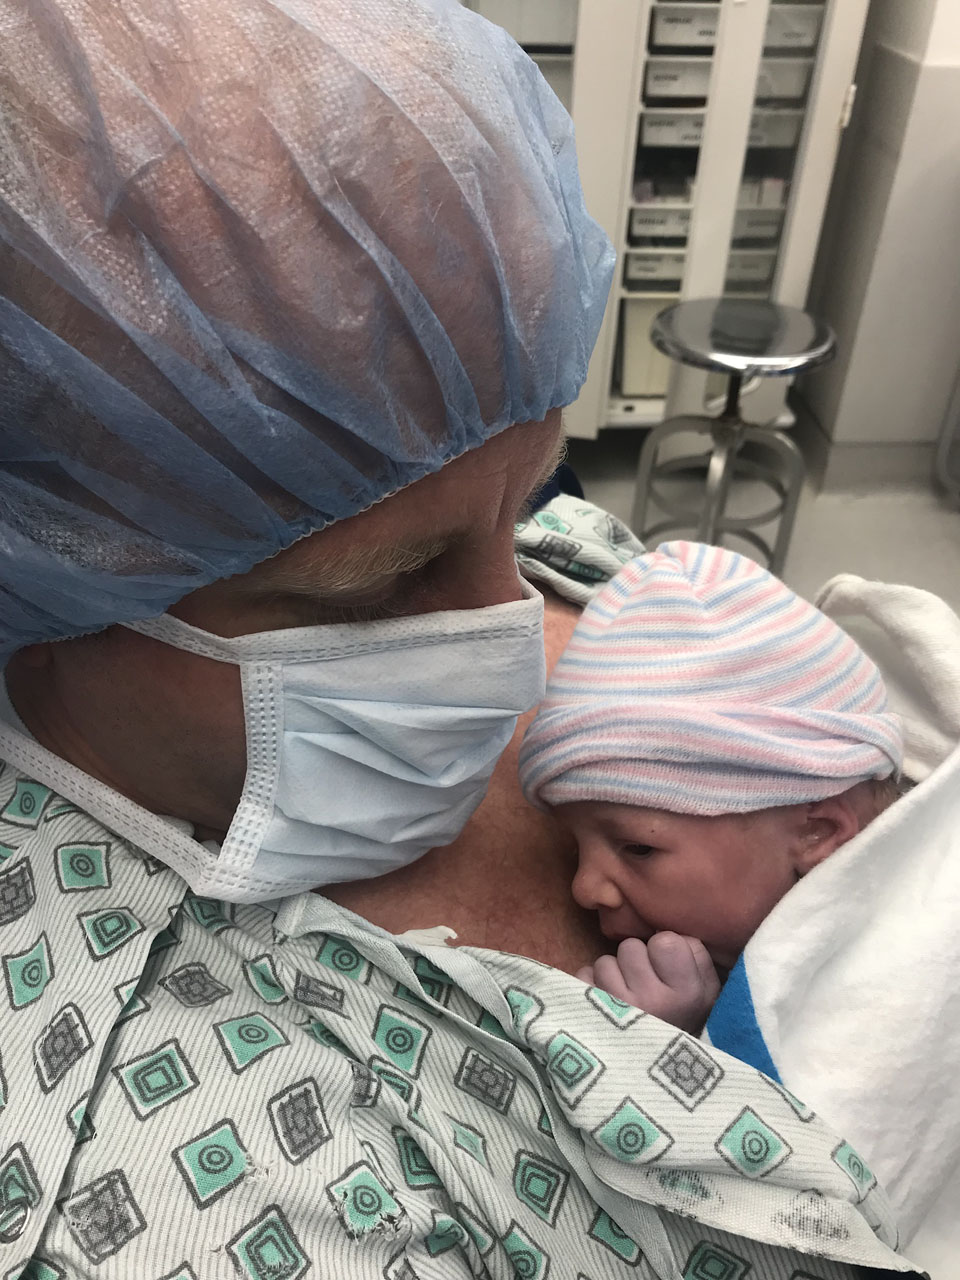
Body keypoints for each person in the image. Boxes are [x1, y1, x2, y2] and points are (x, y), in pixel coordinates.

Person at [0, 2, 919, 1276]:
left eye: (531, 493)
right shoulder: (159, 1180)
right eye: (384, 583)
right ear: (52, 563)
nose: (518, 629)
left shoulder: (598, 582)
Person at [519, 541, 903, 1034]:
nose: (584, 888)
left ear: (818, 831)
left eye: (638, 848)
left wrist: (665, 1042)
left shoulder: (906, 955)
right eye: (576, 849)